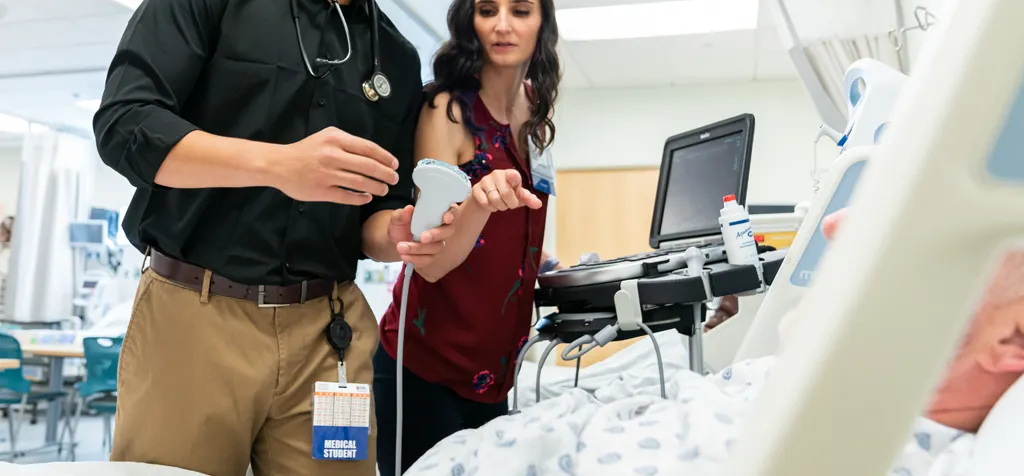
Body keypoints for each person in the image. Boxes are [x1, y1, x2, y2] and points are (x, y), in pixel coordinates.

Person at [92, 0, 457, 476]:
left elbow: (375, 220)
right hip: (195, 321)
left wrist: (400, 229)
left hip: (331, 340)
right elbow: (125, 125)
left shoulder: (396, 60)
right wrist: (278, 166)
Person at [402, 208, 1024, 475]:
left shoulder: (851, 448)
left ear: (1012, 337)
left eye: (913, 225)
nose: (835, 225)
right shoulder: (844, 389)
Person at [373, 0, 562, 475]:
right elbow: (429, 260)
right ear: (469, 20)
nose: (503, 24)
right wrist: (479, 202)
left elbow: (513, 231)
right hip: (425, 369)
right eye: (488, 9)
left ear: (542, 22)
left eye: (520, 10)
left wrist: (543, 266)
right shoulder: (448, 111)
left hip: (495, 373)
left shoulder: (534, 112)